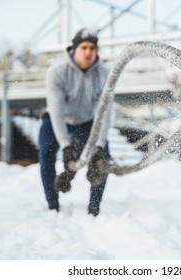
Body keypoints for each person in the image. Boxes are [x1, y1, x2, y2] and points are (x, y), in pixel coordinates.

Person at [38, 28, 113, 216]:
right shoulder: (57, 71)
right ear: (74, 49)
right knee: (46, 151)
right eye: (84, 47)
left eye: (92, 48)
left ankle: (94, 208)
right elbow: (56, 109)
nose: (89, 52)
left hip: (87, 120)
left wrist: (98, 145)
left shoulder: (105, 75)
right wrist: (64, 145)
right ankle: (53, 206)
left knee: (103, 157)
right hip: (59, 118)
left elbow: (105, 112)